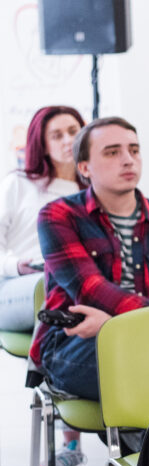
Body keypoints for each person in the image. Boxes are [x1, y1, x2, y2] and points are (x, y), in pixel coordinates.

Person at [32, 117, 149, 466]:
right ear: (84, 167)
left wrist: (117, 326)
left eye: (133, 150)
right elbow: (90, 289)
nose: (128, 159)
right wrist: (139, 326)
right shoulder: (58, 216)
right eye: (112, 152)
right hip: (72, 345)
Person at [0, 106, 85, 332]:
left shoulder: (94, 191)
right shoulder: (18, 184)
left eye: (73, 131)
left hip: (71, 284)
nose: (68, 140)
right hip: (15, 284)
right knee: (60, 287)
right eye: (57, 135)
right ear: (43, 145)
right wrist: (16, 266)